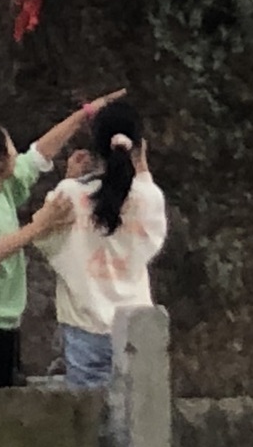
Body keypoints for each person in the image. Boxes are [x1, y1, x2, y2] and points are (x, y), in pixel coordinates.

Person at [0, 91, 123, 386]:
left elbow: (40, 153)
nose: (16, 153)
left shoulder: (3, 190)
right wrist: (40, 224)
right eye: (10, 148)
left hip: (5, 330)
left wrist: (84, 114)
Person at [36, 96, 166, 389]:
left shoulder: (68, 196)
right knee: (137, 422)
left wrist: (67, 180)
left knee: (91, 423)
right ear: (139, 146)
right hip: (136, 328)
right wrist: (141, 168)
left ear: (96, 148)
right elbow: (152, 237)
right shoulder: (150, 197)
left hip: (86, 328)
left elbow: (42, 235)